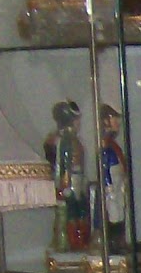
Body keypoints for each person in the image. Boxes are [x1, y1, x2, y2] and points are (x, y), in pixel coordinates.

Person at [43, 98, 89, 252]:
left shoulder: (72, 140)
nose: (78, 123)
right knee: (69, 212)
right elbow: (63, 164)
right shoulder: (64, 141)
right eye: (76, 120)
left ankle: (77, 241)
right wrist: (65, 184)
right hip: (69, 182)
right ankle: (68, 242)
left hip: (77, 179)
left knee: (79, 211)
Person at [97, 104, 128, 251]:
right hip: (111, 183)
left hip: (118, 181)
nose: (118, 122)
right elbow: (104, 167)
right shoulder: (104, 145)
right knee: (114, 213)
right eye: (114, 118)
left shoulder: (112, 145)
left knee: (120, 211)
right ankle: (113, 244)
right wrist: (108, 185)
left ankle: (118, 242)